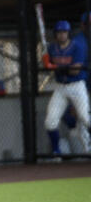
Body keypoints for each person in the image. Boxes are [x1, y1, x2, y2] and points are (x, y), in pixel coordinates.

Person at [43, 20, 90, 157]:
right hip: (60, 87)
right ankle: (56, 152)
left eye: (64, 32)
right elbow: (49, 64)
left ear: (68, 33)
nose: (61, 35)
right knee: (50, 122)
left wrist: (56, 68)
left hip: (76, 85)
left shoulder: (77, 46)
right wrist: (46, 62)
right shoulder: (52, 48)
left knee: (85, 117)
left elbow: (75, 70)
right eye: (59, 32)